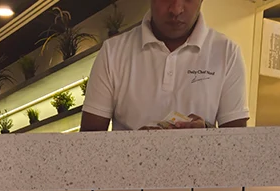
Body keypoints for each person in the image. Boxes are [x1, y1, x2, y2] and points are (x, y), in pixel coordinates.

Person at [81, 0, 250, 131]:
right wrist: (134, 144)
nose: (176, 9)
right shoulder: (112, 52)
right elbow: (89, 142)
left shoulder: (227, 53)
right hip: (126, 167)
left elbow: (237, 145)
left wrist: (205, 131)